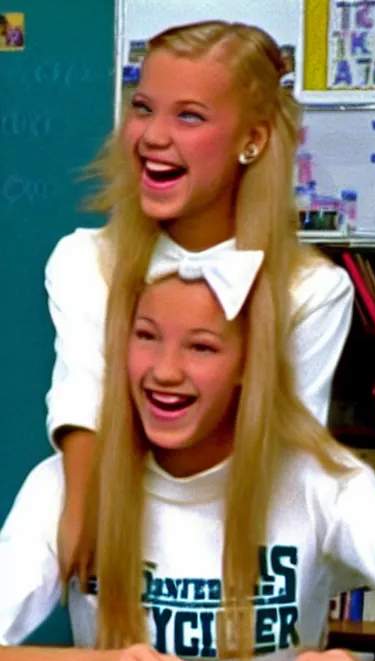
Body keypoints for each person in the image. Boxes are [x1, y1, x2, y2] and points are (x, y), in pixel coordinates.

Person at [1, 250, 375, 661]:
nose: (164, 370)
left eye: (201, 347)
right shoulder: (64, 485)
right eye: (146, 337)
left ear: (250, 365)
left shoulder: (319, 481)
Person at [43, 20, 354, 581]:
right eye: (143, 108)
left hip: (252, 586)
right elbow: (82, 391)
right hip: (124, 613)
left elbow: (292, 464)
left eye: (188, 116)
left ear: (252, 140)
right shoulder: (85, 261)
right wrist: (83, 508)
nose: (152, 137)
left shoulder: (311, 291)